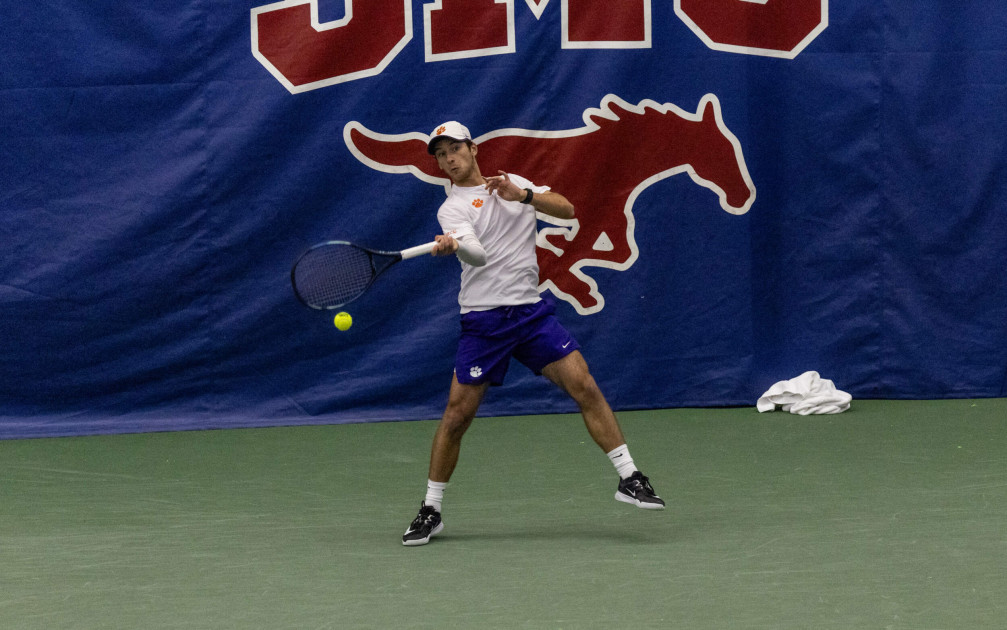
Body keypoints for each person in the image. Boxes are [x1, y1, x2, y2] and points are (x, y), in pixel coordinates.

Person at [402, 121, 664, 546]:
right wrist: (455, 244)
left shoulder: (514, 183)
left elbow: (567, 209)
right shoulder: (451, 210)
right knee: (456, 417)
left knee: (585, 385)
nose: (449, 159)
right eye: (441, 155)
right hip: (484, 322)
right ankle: (431, 510)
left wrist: (522, 195)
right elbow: (479, 255)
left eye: (454, 149)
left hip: (530, 314)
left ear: (473, 149)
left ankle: (630, 478)